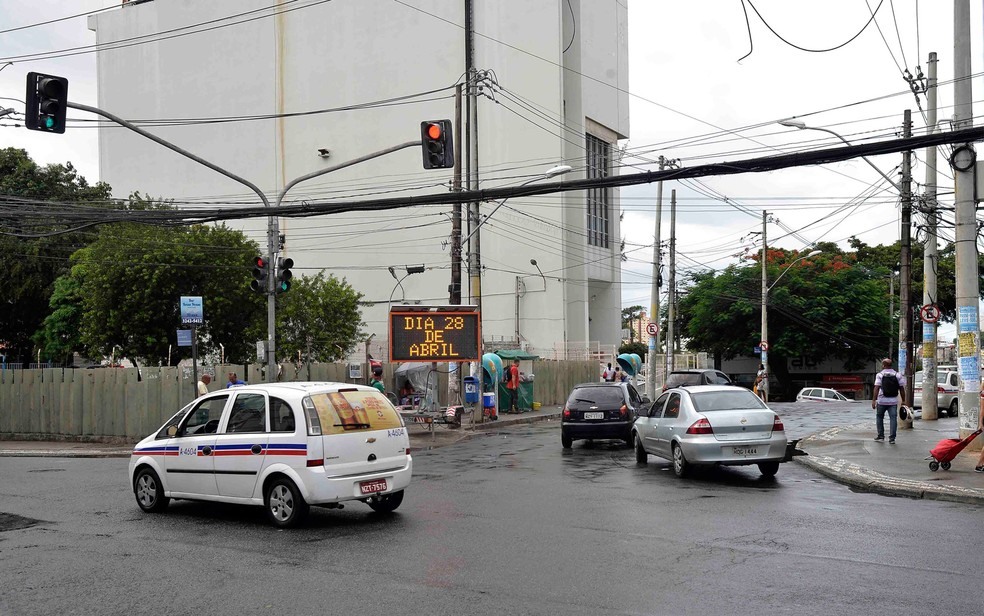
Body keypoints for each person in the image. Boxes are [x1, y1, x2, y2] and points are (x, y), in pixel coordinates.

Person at [871, 358, 904, 444]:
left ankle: (881, 436)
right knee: (893, 419)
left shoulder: (880, 375)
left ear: (883, 365)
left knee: (879, 417)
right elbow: (902, 389)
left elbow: (876, 388)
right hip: (893, 401)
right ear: (891, 365)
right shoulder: (897, 375)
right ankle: (892, 438)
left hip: (882, 401)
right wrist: (903, 400)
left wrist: (874, 400)